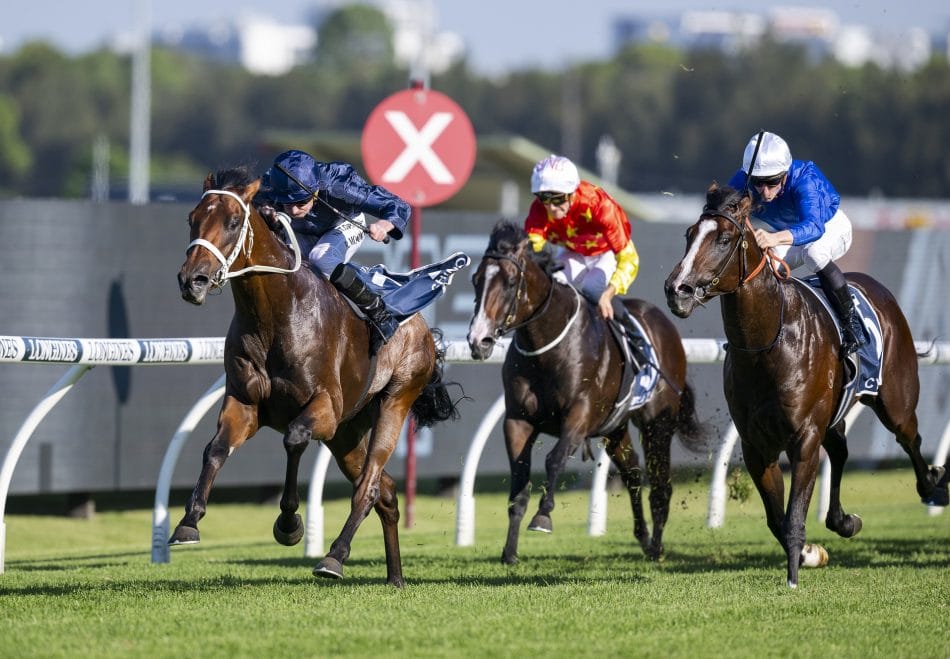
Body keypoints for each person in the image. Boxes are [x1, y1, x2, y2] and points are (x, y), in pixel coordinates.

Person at [258, 149, 410, 354]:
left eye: (301, 202)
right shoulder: (269, 185)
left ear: (316, 191)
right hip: (302, 231)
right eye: (287, 203)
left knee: (321, 257)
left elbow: (397, 205)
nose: (294, 210)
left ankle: (380, 314)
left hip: (343, 225)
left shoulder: (340, 185)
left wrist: (383, 226)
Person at [728, 131, 866, 355]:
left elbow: (814, 227)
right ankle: (753, 336)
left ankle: (853, 326)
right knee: (759, 267)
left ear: (785, 174)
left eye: (772, 182)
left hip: (830, 226)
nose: (764, 192)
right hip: (788, 231)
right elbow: (721, 209)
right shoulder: (743, 180)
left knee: (814, 253)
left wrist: (773, 238)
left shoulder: (805, 178)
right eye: (758, 183)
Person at [523, 154, 641, 333]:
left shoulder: (599, 205)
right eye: (544, 198)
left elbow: (629, 259)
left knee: (592, 288)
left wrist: (608, 294)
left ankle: (635, 337)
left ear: (572, 193)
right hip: (574, 253)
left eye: (557, 198)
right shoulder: (539, 210)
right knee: (553, 284)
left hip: (605, 254)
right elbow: (530, 252)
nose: (551, 207)